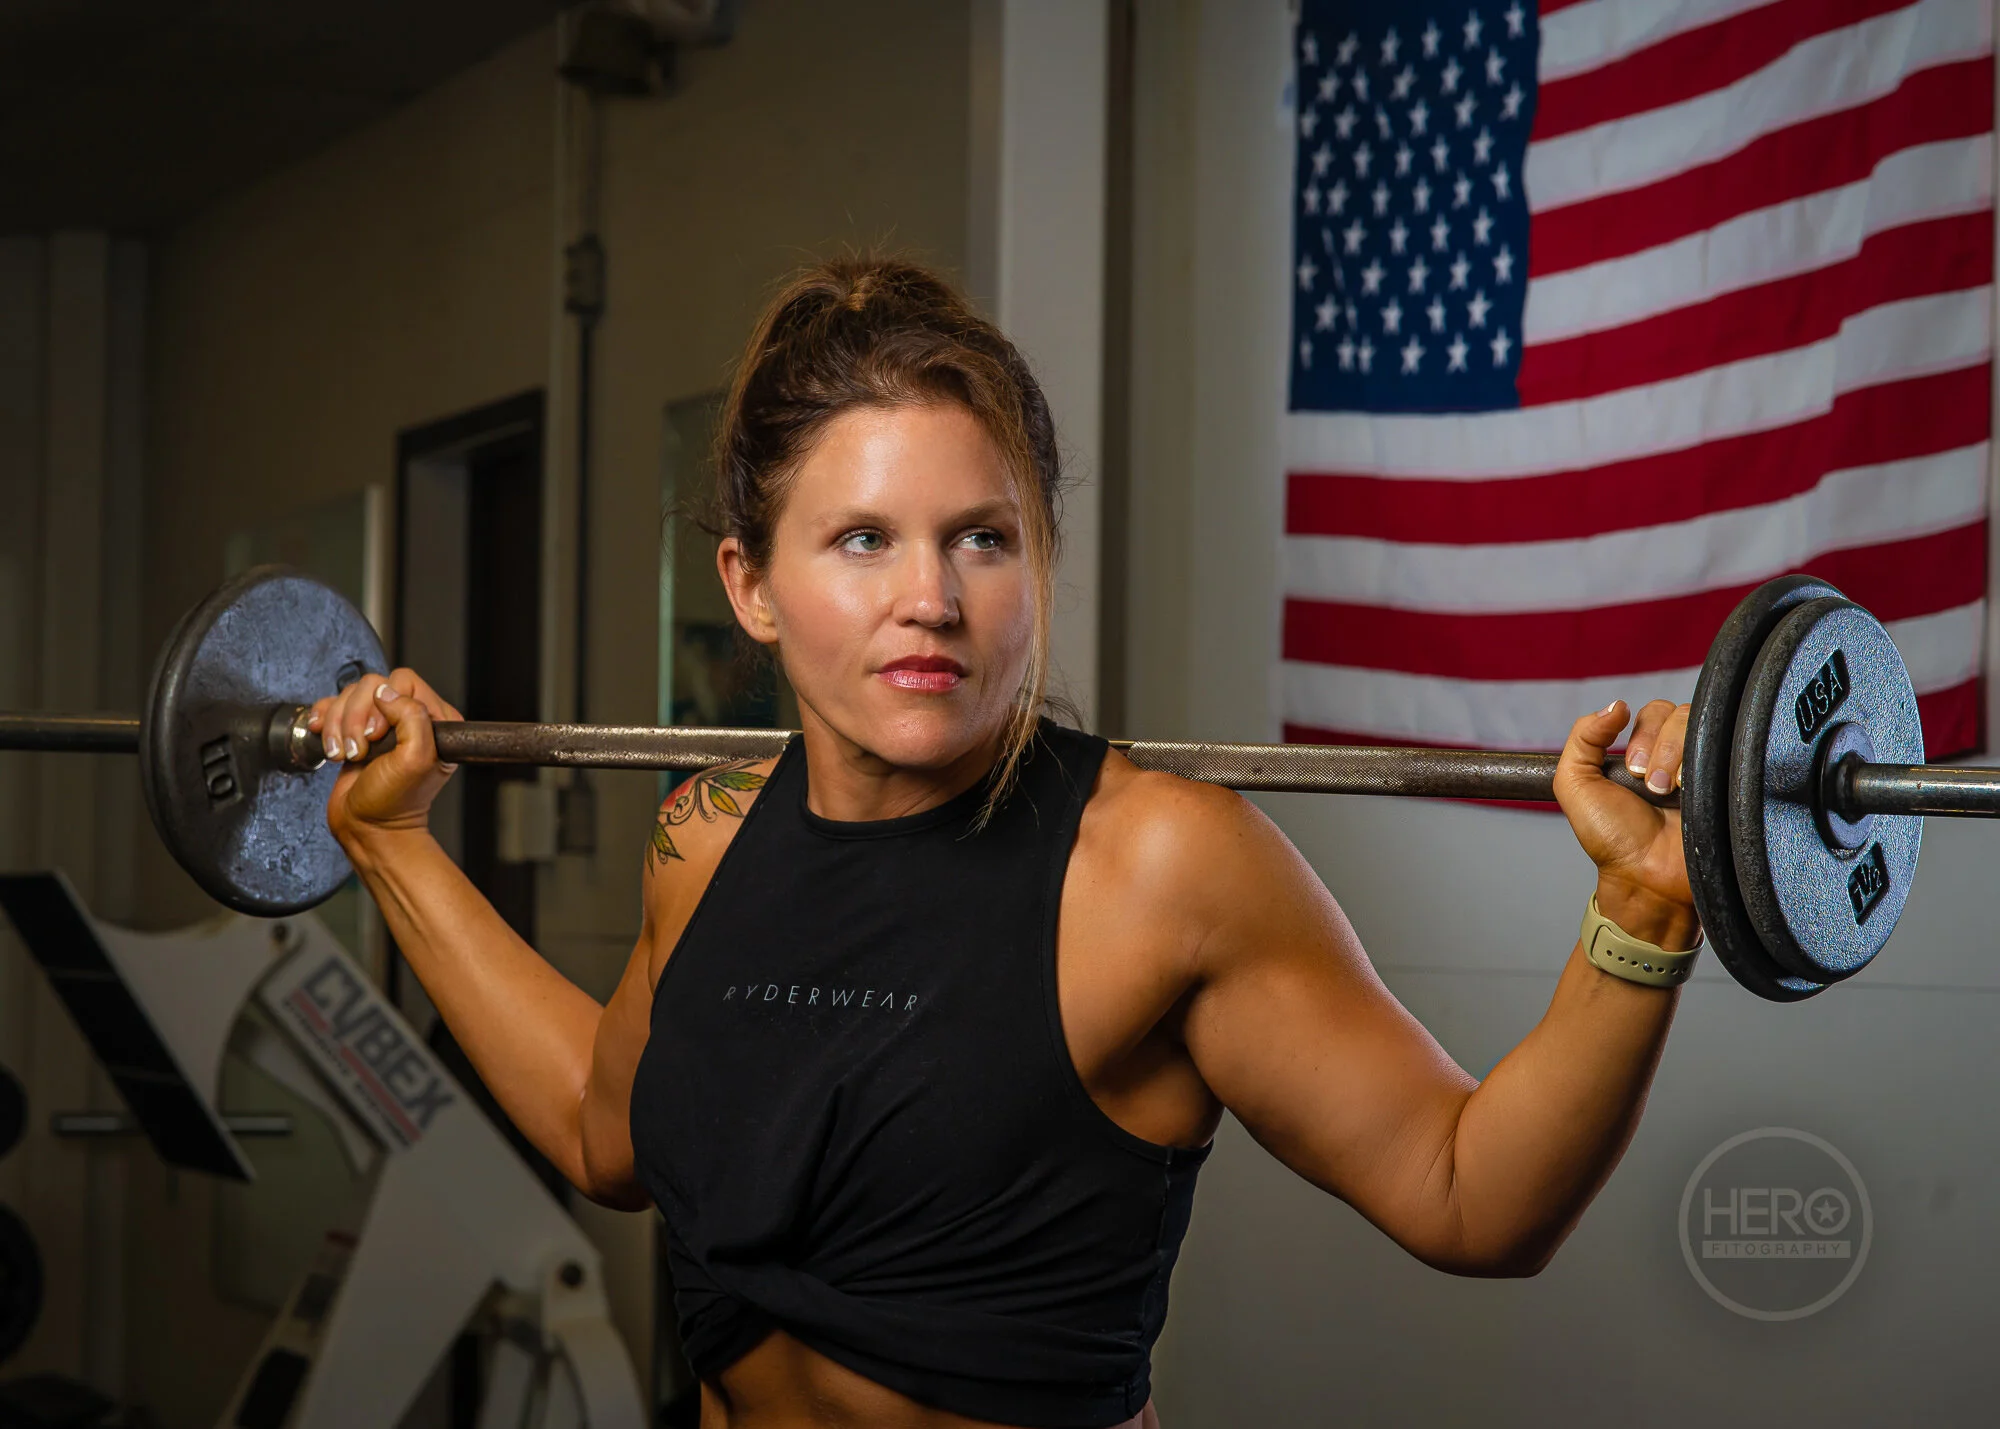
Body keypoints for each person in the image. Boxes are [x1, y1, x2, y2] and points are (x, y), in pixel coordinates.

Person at [309, 257, 1702, 1429]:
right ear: (752, 584)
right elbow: (603, 1134)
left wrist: (1643, 911)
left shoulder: (1161, 867)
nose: (930, 597)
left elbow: (1469, 1198)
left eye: (982, 538)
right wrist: (395, 850)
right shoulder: (705, 838)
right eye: (862, 540)